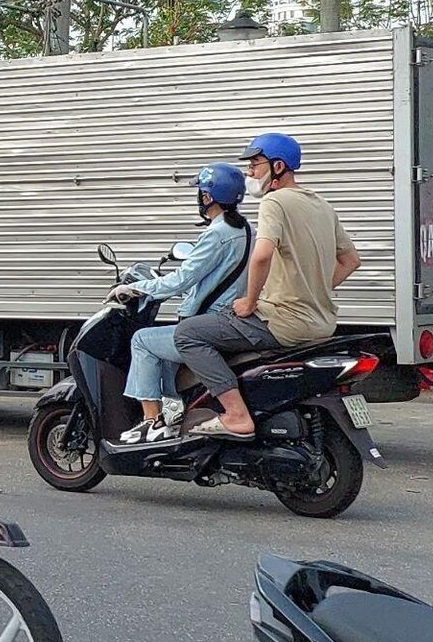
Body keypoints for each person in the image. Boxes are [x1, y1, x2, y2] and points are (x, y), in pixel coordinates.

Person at [175, 133, 362, 438]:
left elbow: (262, 255)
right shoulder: (322, 205)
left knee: (188, 333)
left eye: (255, 164)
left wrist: (249, 302)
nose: (250, 172)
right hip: (322, 323)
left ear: (277, 166)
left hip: (282, 321)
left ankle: (236, 414)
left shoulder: (275, 201)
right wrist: (314, 289)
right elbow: (351, 260)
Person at [110, 163, 253, 444]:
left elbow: (182, 279)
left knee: (142, 340)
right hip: (227, 318)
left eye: (200, 192)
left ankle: (151, 421)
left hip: (207, 324)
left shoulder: (217, 233)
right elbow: (213, 280)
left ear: (208, 197)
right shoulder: (247, 229)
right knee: (160, 346)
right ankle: (174, 412)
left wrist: (134, 288)